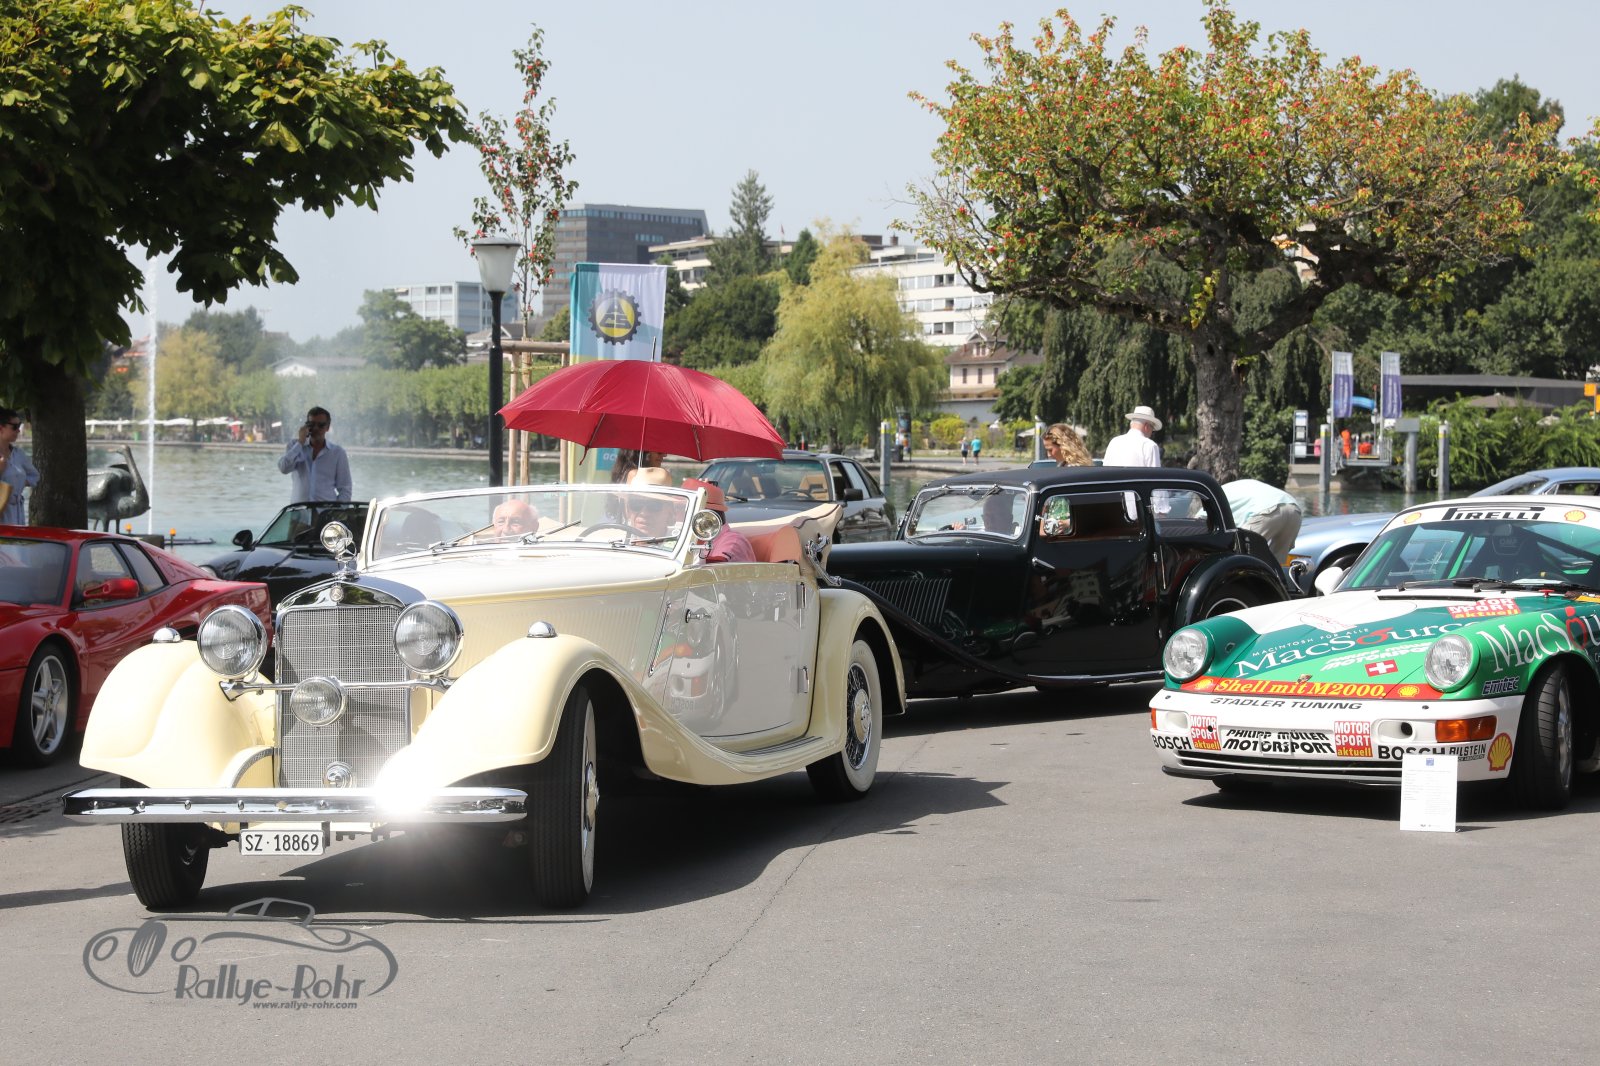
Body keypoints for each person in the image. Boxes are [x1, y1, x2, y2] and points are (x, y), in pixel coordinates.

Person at [277, 406, 351, 502]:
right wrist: (300, 442)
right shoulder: (295, 446)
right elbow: (283, 468)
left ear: (327, 427)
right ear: (306, 426)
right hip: (299, 510)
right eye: (311, 424)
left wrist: (337, 509)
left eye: (321, 425)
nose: (316, 428)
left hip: (326, 510)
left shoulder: (338, 453)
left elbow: (345, 489)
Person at [1223, 478, 1304, 559]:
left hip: (1267, 510)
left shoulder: (1219, 494)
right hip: (1294, 509)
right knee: (1276, 562)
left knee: (1241, 555)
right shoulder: (1241, 484)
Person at [682, 478, 755, 562]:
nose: (677, 514)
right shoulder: (687, 536)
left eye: (682, 509)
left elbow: (716, 565)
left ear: (706, 516)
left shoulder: (733, 542)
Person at [0, 407, 39, 525]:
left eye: (19, 425)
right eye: (14, 427)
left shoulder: (18, 454)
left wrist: (19, 481)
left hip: (17, 513)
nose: (18, 430)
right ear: (1, 428)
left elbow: (35, 476)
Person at [623, 466, 683, 539]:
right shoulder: (616, 540)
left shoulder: (682, 542)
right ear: (627, 511)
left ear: (670, 512)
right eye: (636, 504)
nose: (644, 513)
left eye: (654, 505)